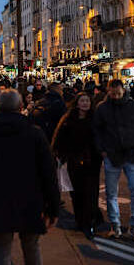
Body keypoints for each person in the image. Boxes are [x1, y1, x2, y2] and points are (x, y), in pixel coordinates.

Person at [0, 89, 60, 265]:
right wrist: (53, 206)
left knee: (2, 248)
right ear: (20, 107)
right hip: (31, 199)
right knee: (31, 246)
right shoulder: (35, 133)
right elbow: (49, 173)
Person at [93, 79, 134, 242]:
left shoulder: (133, 106)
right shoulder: (103, 108)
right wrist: (102, 150)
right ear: (109, 92)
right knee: (112, 193)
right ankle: (115, 225)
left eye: (118, 93)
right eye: (113, 93)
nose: (116, 96)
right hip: (112, 154)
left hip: (130, 153)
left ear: (123, 90)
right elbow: (96, 130)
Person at [51, 92, 103, 239]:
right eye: (82, 101)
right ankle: (81, 220)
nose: (85, 103)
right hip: (73, 160)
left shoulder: (95, 119)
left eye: (87, 101)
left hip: (92, 161)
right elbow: (59, 137)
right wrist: (59, 153)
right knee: (77, 192)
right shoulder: (68, 119)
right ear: (77, 103)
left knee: (91, 192)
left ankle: (89, 221)